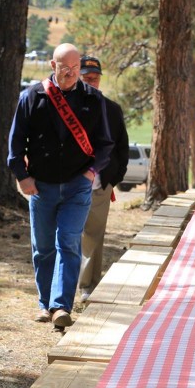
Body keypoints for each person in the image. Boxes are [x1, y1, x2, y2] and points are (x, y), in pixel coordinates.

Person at [8, 43, 114, 328]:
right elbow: (15, 144)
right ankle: (44, 303)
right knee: (43, 247)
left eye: (75, 69)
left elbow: (105, 144)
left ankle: (60, 307)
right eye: (65, 68)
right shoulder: (32, 96)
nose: (70, 74)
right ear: (53, 66)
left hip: (78, 184)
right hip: (41, 186)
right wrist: (22, 176)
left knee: (68, 242)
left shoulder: (93, 98)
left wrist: (92, 172)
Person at [77, 55, 130, 302]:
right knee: (66, 235)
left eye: (95, 78)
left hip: (99, 183)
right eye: (86, 78)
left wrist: (112, 178)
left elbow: (122, 148)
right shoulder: (65, 107)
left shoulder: (111, 109)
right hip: (66, 181)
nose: (91, 82)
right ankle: (64, 287)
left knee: (93, 235)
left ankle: (87, 286)